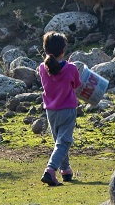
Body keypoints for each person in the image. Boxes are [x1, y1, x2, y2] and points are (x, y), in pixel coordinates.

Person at [38, 31, 81, 187]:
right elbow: (76, 85)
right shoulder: (71, 68)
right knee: (64, 141)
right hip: (68, 109)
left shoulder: (42, 68)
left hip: (50, 110)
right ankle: (50, 170)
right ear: (63, 50)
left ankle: (65, 169)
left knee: (59, 141)